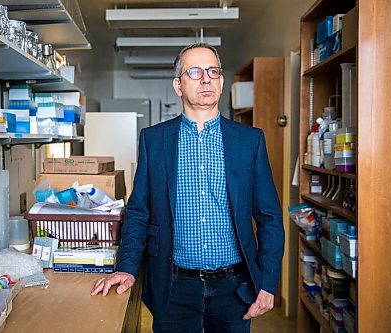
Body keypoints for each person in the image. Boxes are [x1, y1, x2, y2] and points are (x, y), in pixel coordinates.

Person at [91, 43, 284, 333]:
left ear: (221, 81)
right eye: (194, 72)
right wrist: (127, 267)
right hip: (173, 287)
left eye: (213, 71)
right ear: (178, 85)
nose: (206, 79)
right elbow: (138, 212)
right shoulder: (154, 140)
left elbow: (269, 216)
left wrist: (268, 283)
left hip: (234, 287)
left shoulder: (250, 140)